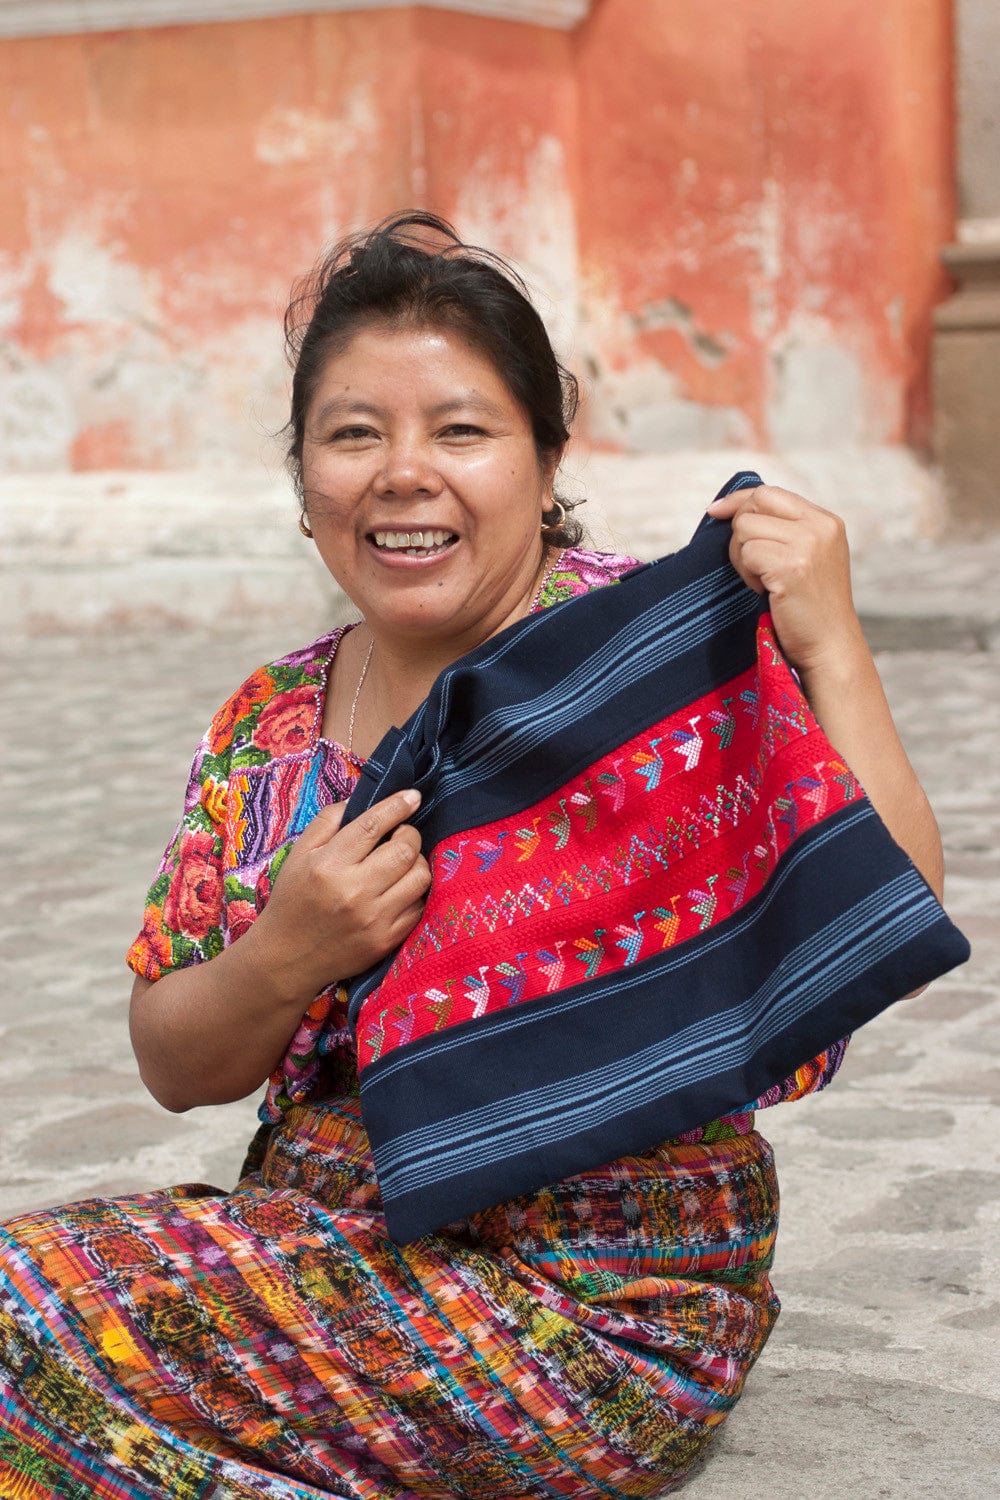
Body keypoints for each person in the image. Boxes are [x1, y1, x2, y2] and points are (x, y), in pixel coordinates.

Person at [0, 213, 945, 1499]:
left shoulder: (643, 669)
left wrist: (829, 644)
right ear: (302, 480)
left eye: (460, 429)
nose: (402, 473)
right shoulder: (269, 722)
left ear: (546, 456)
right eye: (352, 433)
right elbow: (176, 1059)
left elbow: (883, 912)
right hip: (330, 1246)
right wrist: (290, 953)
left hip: (603, 1302)